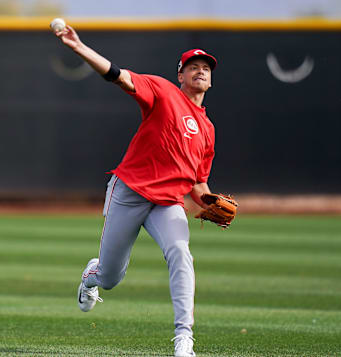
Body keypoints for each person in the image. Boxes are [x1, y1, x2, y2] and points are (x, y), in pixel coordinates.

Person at [54, 24, 221, 357]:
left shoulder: (208, 130)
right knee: (111, 277)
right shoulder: (162, 91)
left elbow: (198, 186)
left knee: (181, 253)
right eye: (193, 67)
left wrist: (210, 203)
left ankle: (184, 339)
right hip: (130, 191)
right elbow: (118, 76)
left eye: (205, 68)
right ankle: (92, 275)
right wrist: (80, 48)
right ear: (180, 75)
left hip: (168, 203)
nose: (200, 71)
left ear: (211, 79)